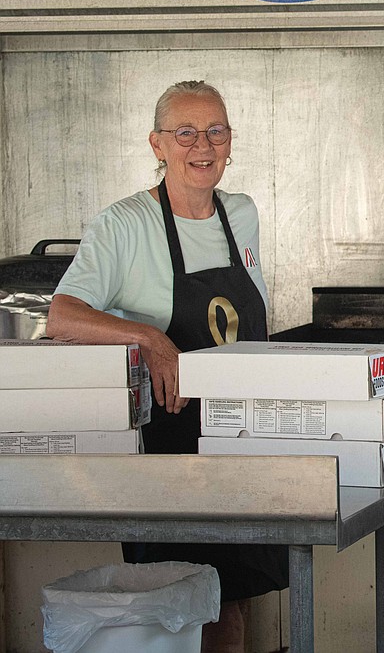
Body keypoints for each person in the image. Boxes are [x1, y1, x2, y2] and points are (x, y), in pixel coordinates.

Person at [46, 80, 288, 652]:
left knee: (232, 601)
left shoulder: (242, 214)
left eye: (215, 131)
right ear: (157, 144)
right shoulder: (124, 224)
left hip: (241, 441)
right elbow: (61, 315)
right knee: (173, 609)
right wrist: (149, 337)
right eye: (184, 132)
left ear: (230, 143)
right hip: (166, 452)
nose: (201, 145)